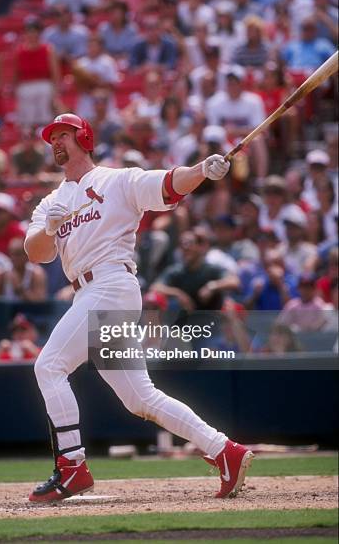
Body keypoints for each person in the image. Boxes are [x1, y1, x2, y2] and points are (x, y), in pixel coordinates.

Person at [24, 111, 254, 502]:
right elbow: (36, 253)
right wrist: (49, 228)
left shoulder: (118, 180)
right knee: (140, 398)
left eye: (63, 134)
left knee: (48, 366)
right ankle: (225, 451)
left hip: (111, 284)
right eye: (52, 137)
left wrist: (202, 169)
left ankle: (72, 466)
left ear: (84, 137)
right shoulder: (51, 202)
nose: (55, 142)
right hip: (89, 292)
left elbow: (168, 184)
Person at [12, 16, 62, 128]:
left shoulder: (48, 49)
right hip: (25, 88)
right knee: (27, 124)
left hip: (44, 87)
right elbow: (16, 74)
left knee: (46, 121)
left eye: (34, 31)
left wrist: (55, 94)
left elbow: (55, 74)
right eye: (28, 31)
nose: (31, 34)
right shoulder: (19, 51)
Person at [0, 236, 47, 301]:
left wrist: (19, 288)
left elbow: (39, 301)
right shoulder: (0, 274)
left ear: (26, 255)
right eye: (11, 253)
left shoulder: (36, 274)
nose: (14, 258)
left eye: (18, 254)